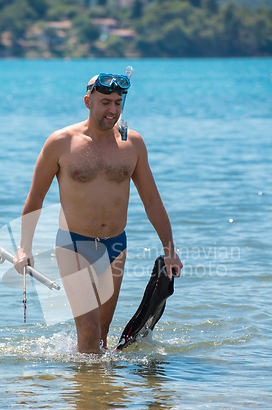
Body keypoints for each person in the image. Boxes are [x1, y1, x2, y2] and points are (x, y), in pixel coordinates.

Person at [14, 72, 183, 354]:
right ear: (87, 101)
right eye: (106, 102)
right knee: (89, 330)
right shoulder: (61, 142)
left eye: (118, 102)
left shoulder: (133, 144)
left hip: (115, 245)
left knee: (101, 336)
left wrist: (170, 251)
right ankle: (86, 393)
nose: (113, 110)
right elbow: (35, 198)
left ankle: (98, 393)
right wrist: (23, 247)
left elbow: (152, 201)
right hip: (73, 244)